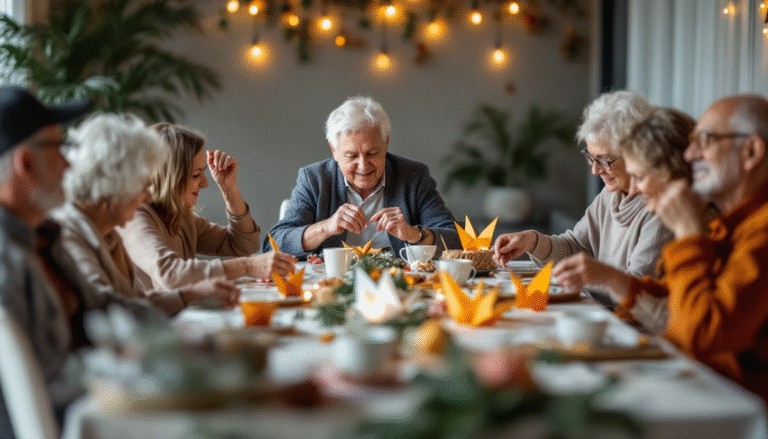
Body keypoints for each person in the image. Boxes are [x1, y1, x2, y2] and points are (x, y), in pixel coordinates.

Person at [623, 95, 768, 400]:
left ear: (752, 151)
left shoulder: (762, 232)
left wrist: (689, 234)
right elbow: (678, 300)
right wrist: (610, 279)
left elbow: (701, 335)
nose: (689, 155)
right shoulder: (730, 224)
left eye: (705, 140)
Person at [491, 90, 673, 326]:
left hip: (623, 327)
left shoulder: (659, 208)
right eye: (591, 158)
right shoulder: (611, 196)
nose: (595, 171)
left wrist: (595, 276)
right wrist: (533, 241)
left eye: (605, 160)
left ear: (637, 152)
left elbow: (636, 292)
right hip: (593, 315)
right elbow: (576, 247)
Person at [50, 113, 240, 316]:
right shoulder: (67, 235)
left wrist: (192, 294)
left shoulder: (108, 234)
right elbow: (109, 309)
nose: (148, 198)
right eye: (143, 186)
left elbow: (133, 300)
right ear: (116, 184)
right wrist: (189, 295)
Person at [550, 108, 696, 333]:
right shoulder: (693, 223)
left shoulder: (675, 221)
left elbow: (694, 328)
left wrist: (691, 233)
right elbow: (665, 302)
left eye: (640, 177)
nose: (634, 190)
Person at [265, 96, 460, 257]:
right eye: (351, 156)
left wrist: (414, 234)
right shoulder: (315, 179)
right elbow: (273, 245)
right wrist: (326, 227)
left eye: (372, 153)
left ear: (386, 143)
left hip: (400, 284)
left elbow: (457, 239)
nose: (363, 165)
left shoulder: (413, 177)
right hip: (330, 286)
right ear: (334, 150)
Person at [118, 123, 295, 290]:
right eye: (196, 175)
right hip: (154, 321)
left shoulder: (180, 217)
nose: (205, 183)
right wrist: (247, 266)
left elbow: (245, 245)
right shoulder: (135, 218)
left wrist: (229, 189)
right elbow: (171, 274)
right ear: (169, 178)